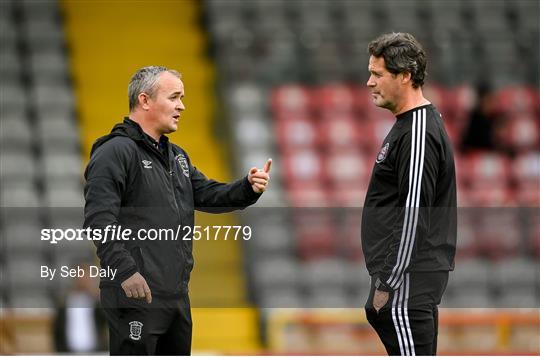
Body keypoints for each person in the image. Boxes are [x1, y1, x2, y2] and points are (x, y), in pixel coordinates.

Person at [83, 66, 271, 355]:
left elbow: (209, 194)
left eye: (181, 98)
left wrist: (247, 187)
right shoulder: (115, 151)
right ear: (145, 100)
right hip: (134, 294)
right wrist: (125, 271)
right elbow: (98, 220)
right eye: (174, 97)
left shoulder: (177, 157)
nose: (182, 106)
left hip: (176, 297)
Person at [361, 33, 457, 356]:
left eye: (377, 74)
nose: (369, 82)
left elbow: (413, 217)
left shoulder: (418, 131)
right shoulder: (412, 125)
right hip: (408, 284)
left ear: (405, 75)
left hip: (406, 285)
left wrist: (386, 283)